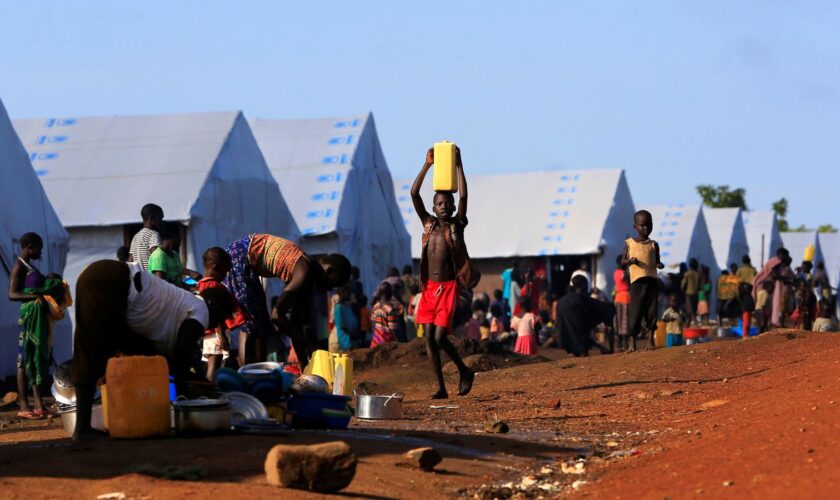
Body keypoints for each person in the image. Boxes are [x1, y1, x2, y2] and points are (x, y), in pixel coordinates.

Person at [70, 259, 234, 440]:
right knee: (92, 350)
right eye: (220, 318)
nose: (216, 324)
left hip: (104, 275)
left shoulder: (182, 304)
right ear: (214, 306)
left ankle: (86, 426)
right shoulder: (200, 310)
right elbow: (180, 362)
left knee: (103, 349)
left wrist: (194, 379)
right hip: (113, 281)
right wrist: (191, 399)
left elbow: (153, 354)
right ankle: (82, 428)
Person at [223, 233, 351, 367]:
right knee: (251, 324)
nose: (327, 290)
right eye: (331, 285)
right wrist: (300, 339)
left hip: (247, 260)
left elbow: (296, 323)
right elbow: (276, 315)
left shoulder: (307, 279)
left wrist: (304, 365)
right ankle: (247, 375)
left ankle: (257, 374)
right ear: (329, 271)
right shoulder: (304, 271)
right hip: (239, 255)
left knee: (261, 324)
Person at [411, 145, 477, 399]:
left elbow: (463, 198)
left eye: (447, 203)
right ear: (434, 206)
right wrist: (427, 165)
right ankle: (440, 387)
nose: (445, 206)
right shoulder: (428, 224)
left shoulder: (456, 225)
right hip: (428, 288)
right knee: (428, 339)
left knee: (439, 337)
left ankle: (464, 370)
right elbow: (414, 192)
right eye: (440, 203)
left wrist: (459, 165)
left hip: (448, 288)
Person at [8, 233, 69, 419]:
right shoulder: (19, 266)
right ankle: (25, 405)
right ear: (29, 245)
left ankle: (39, 404)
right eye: (39, 248)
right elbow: (12, 294)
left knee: (36, 359)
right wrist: (36, 297)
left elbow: (38, 286)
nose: (41, 252)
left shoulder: (30, 267)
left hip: (38, 319)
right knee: (24, 360)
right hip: (29, 319)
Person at [196, 247, 245, 382]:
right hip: (215, 332)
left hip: (210, 331)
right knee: (214, 362)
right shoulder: (214, 286)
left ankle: (211, 386)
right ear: (216, 268)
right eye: (225, 271)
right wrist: (221, 334)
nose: (226, 275)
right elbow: (215, 313)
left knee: (213, 362)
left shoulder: (201, 285)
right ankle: (211, 388)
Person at [622, 210, 665, 351]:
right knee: (635, 312)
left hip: (651, 281)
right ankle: (632, 343)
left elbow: (657, 261)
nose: (646, 228)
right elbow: (622, 261)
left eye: (649, 225)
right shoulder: (629, 243)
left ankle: (650, 341)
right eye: (642, 225)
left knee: (652, 311)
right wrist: (630, 261)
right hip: (636, 283)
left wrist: (659, 264)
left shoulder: (654, 244)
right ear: (635, 226)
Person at [555, 275, 615, 357]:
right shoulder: (581, 299)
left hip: (564, 340)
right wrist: (603, 347)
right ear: (584, 284)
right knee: (582, 327)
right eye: (587, 284)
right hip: (579, 338)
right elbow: (581, 329)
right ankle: (584, 353)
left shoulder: (561, 301)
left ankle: (575, 352)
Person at [128, 203, 163, 271]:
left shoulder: (136, 236)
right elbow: (157, 258)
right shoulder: (153, 235)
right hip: (150, 278)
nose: (161, 221)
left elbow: (130, 261)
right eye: (160, 218)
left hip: (139, 278)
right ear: (151, 218)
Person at [370, 282, 401, 347]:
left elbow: (373, 324)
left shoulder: (375, 307)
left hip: (375, 342)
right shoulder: (390, 310)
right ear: (390, 293)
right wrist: (399, 343)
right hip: (387, 344)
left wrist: (376, 335)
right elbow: (393, 330)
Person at [612, 255, 630, 351]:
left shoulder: (615, 272)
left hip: (618, 298)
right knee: (625, 320)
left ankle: (619, 342)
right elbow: (628, 280)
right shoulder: (624, 273)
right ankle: (624, 342)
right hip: (625, 298)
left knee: (618, 320)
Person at [332, 287, 357, 352]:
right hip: (344, 343)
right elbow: (347, 324)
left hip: (347, 342)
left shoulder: (343, 307)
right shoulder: (339, 308)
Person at [681, 258, 700, 322]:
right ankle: (693, 321)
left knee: (690, 309)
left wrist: (682, 290)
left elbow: (683, 284)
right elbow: (701, 285)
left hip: (688, 294)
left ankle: (693, 321)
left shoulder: (687, 274)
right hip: (696, 293)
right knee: (694, 309)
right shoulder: (698, 274)